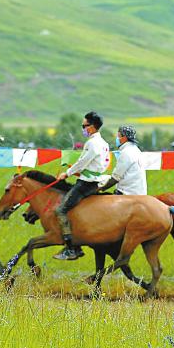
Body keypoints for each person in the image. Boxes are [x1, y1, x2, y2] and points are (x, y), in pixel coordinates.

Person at [53, 111, 110, 261]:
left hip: (86, 184)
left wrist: (67, 173)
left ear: (92, 127)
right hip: (95, 181)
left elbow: (83, 162)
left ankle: (72, 248)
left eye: (84, 125)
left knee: (60, 210)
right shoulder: (104, 143)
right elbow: (103, 163)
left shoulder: (92, 143)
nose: (83, 128)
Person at [99, 125, 147, 196]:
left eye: (118, 136)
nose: (117, 139)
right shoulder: (136, 150)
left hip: (128, 193)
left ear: (124, 138)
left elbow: (115, 178)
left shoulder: (126, 152)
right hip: (139, 192)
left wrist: (100, 189)